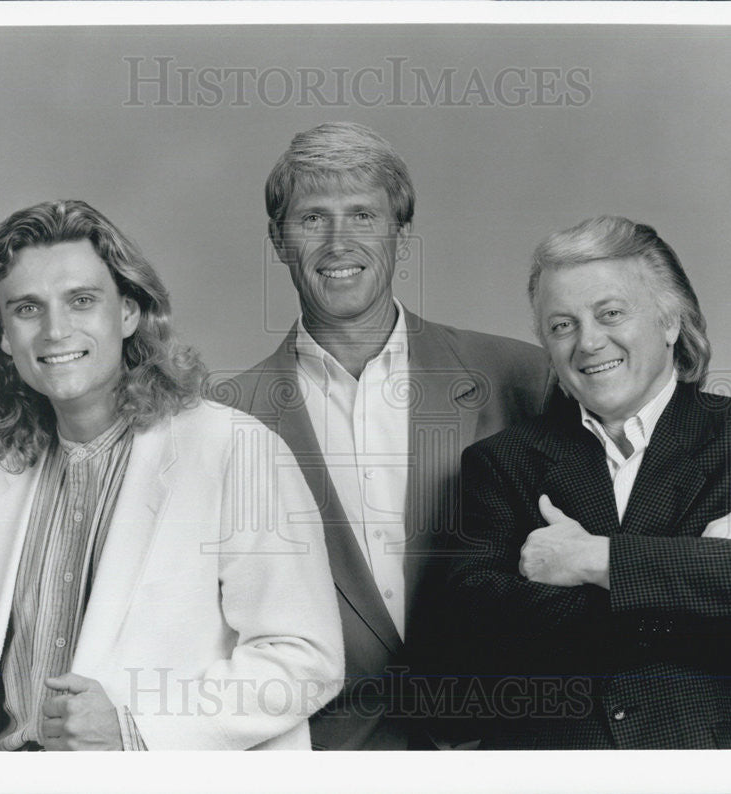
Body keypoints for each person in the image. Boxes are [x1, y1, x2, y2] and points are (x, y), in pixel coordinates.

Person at [0, 199, 344, 751]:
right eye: (27, 309)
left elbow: (305, 659)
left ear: (128, 313)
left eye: (81, 301)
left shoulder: (235, 451)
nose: (55, 331)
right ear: (2, 334)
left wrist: (136, 731)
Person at [212, 122, 554, 749]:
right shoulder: (220, 420)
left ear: (401, 232)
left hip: (504, 748)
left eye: (363, 215)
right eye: (313, 218)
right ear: (278, 241)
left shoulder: (522, 378)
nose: (339, 242)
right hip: (321, 756)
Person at [447, 215, 731, 749]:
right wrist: (698, 557)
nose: (589, 342)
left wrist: (591, 559)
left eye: (610, 313)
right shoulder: (500, 463)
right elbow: (476, 640)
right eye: (562, 325)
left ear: (670, 323)